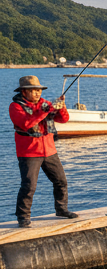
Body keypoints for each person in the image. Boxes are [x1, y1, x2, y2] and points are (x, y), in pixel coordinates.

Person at [10, 75, 78, 228]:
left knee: (61, 181)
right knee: (29, 186)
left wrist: (61, 107)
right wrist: (46, 110)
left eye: (38, 90)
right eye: (33, 90)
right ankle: (23, 217)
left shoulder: (45, 104)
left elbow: (63, 119)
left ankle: (61, 209)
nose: (37, 93)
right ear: (23, 92)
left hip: (49, 150)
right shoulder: (15, 107)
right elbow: (27, 123)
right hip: (29, 153)